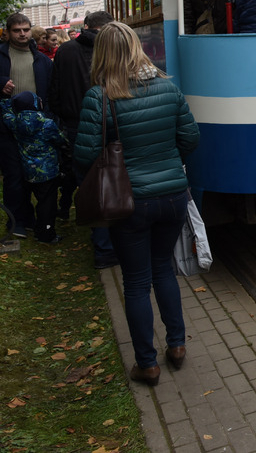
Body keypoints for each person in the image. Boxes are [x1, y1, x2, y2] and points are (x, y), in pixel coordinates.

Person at [74, 22, 200, 387]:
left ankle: (147, 364)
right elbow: (190, 138)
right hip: (173, 196)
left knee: (135, 282)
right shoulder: (168, 86)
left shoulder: (100, 97)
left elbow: (85, 155)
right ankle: (176, 346)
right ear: (136, 47)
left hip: (129, 202)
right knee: (164, 270)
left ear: (102, 54)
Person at [0, 13, 54, 237]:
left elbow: (51, 90)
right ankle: (16, 220)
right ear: (7, 32)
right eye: (17, 30)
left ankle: (39, 221)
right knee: (13, 175)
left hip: (35, 128)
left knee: (38, 175)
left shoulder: (41, 59)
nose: (22, 34)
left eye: (26, 29)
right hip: (4, 124)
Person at [49, 10, 118, 268]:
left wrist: (64, 117)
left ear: (87, 25)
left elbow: (54, 89)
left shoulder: (65, 51)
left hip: (76, 124)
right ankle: (114, 243)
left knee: (89, 185)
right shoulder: (111, 49)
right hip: (109, 122)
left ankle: (101, 246)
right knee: (115, 181)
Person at [1, 91, 65, 243]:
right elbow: (60, 140)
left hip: (28, 171)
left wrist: (9, 100)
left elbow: (5, 111)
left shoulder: (16, 123)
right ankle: (46, 234)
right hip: (48, 172)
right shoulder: (46, 124)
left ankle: (32, 224)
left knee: (29, 198)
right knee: (47, 205)